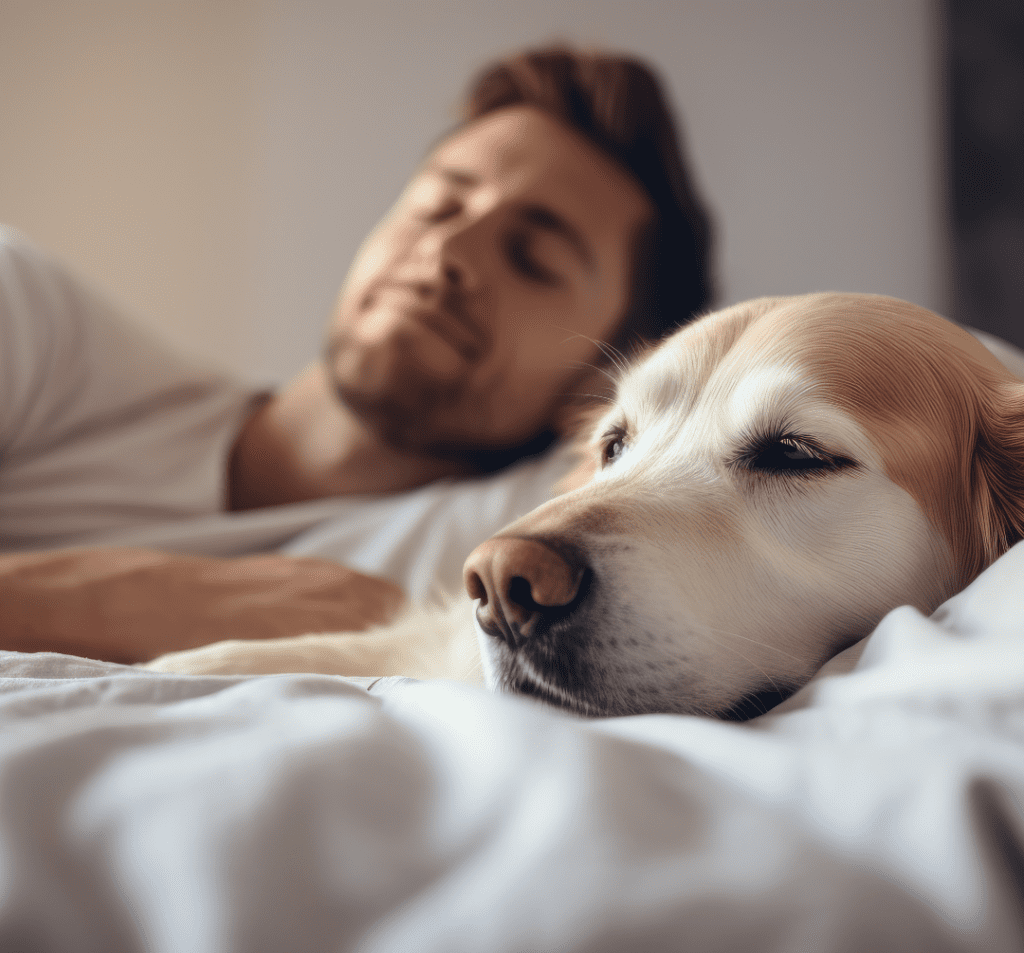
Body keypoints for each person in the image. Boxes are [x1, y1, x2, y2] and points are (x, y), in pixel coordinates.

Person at [0, 45, 714, 664]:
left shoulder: (514, 525)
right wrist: (145, 603)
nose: (447, 253)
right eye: (438, 205)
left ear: (597, 388)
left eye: (532, 259)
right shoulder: (31, 316)